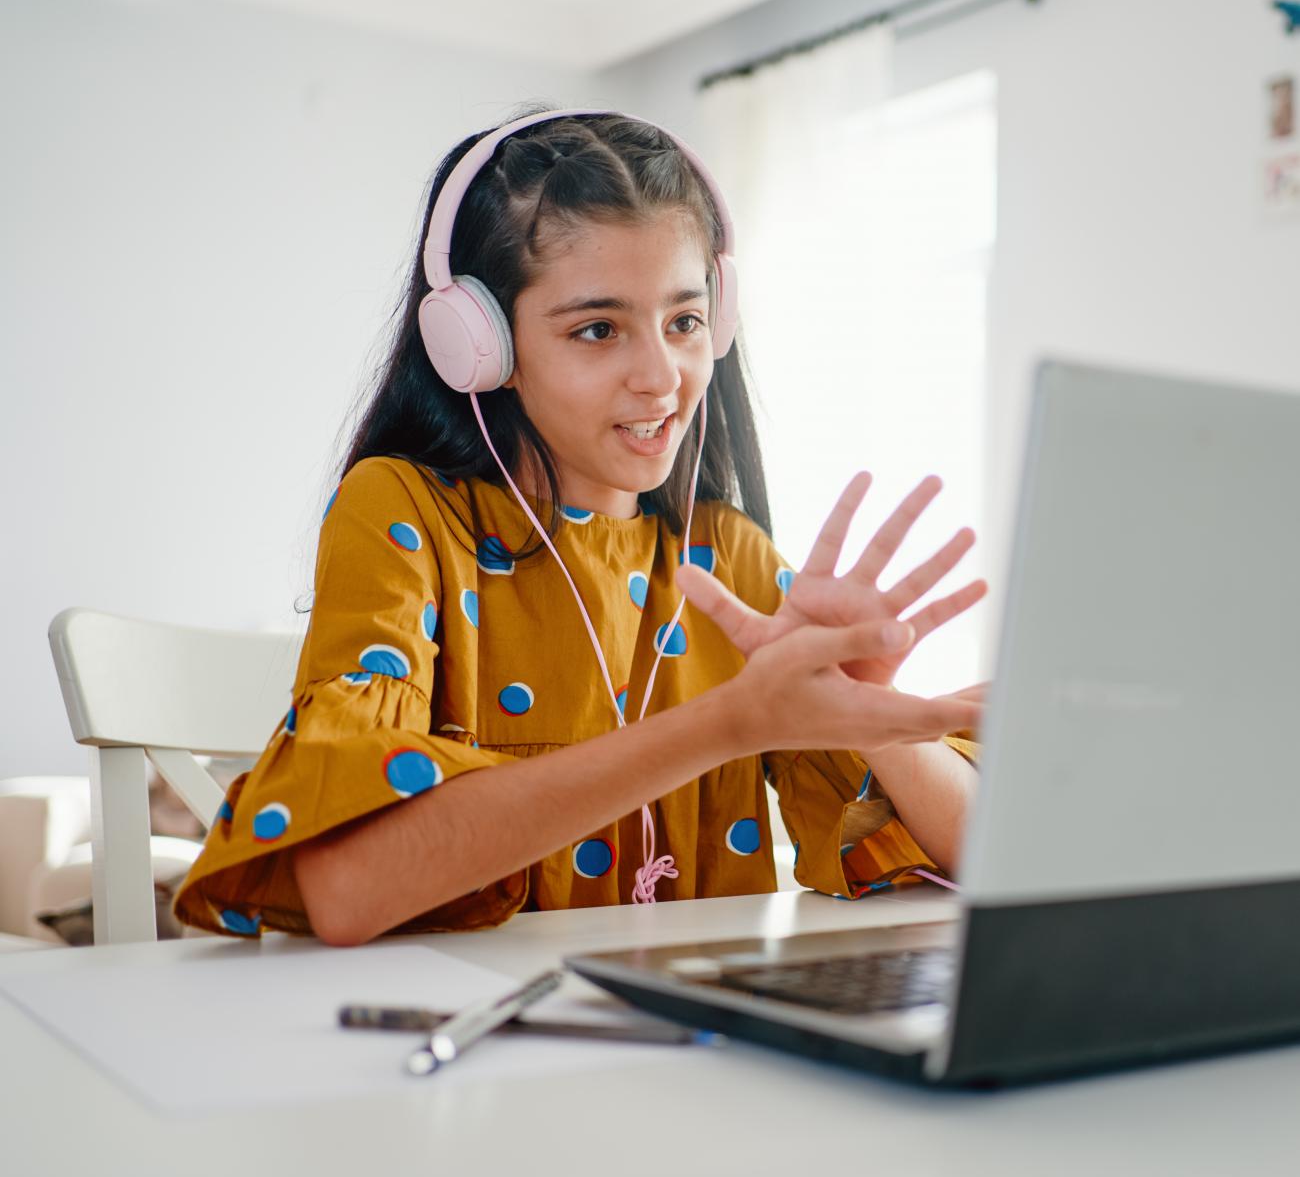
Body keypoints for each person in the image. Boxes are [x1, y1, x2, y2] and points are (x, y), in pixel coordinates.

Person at [172, 102, 986, 947]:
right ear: (479, 345)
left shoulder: (727, 556)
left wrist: (873, 710)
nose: (661, 377)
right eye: (598, 329)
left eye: (685, 321)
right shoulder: (405, 511)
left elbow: (982, 863)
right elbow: (345, 889)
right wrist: (729, 723)